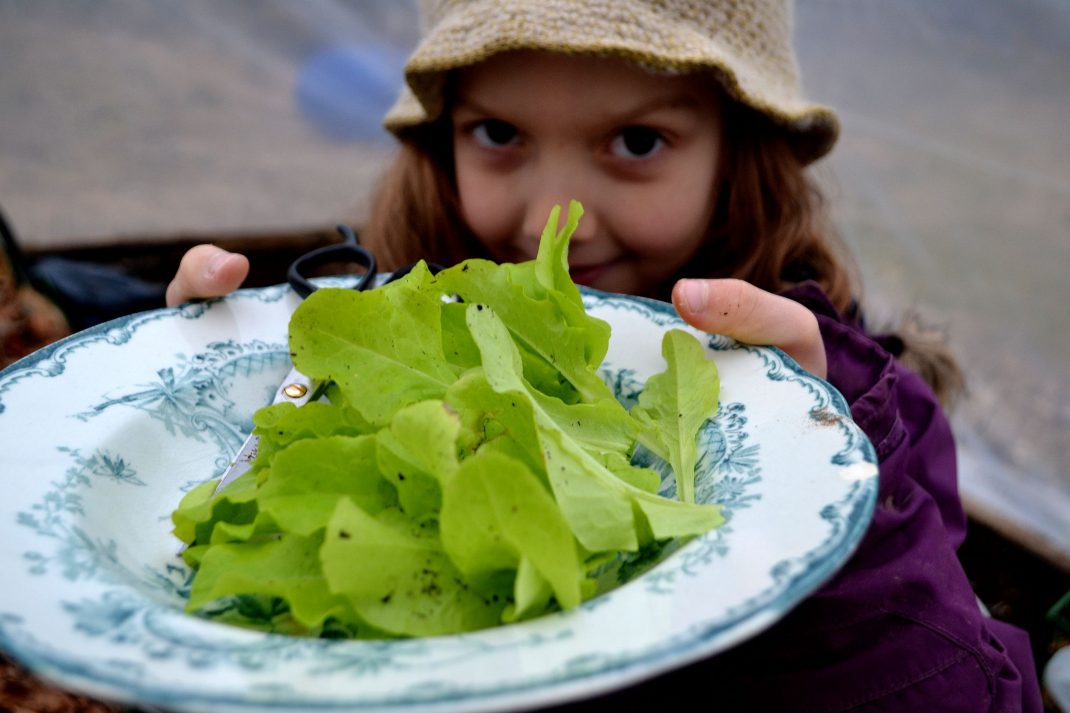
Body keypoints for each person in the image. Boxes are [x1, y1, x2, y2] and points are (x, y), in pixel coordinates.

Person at [165, 1, 1043, 710]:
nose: (556, 216)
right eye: (499, 134)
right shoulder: (365, 336)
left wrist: (833, 487)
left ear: (740, 152)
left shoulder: (863, 402)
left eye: (635, 143)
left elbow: (969, 691)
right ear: (441, 141)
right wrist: (220, 391)